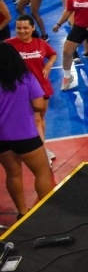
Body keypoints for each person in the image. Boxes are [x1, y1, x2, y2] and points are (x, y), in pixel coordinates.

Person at [0, 42, 54, 219]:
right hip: (25, 135)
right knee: (43, 172)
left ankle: (22, 212)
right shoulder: (26, 77)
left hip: (1, 138)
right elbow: (39, 104)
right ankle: (47, 212)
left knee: (13, 174)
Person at [6, 15, 56, 161]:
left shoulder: (40, 43)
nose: (22, 31)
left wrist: (48, 64)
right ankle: (40, 153)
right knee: (34, 119)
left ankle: (42, 148)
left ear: (33, 28)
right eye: (18, 28)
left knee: (40, 118)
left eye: (25, 28)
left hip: (42, 86)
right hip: (20, 90)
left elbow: (53, 54)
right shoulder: (9, 45)